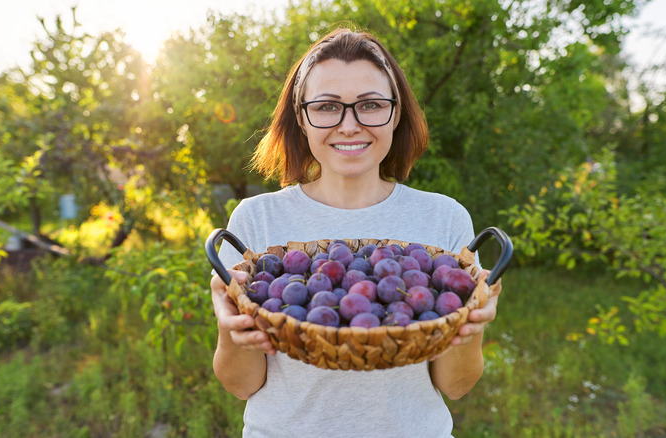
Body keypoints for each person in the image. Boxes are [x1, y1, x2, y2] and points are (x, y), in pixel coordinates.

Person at [210, 27, 502, 437]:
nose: (349, 125)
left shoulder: (443, 219)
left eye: (370, 104)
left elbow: (456, 386)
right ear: (302, 117)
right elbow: (241, 385)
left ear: (395, 113)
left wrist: (471, 326)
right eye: (328, 106)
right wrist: (231, 328)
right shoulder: (256, 221)